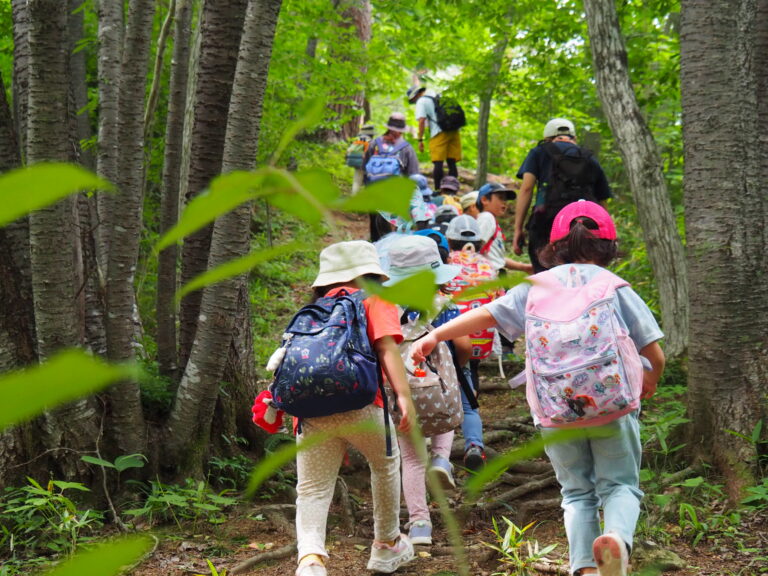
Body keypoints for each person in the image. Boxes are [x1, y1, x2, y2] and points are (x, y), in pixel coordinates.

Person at [410, 202, 666, 576]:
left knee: (576, 493)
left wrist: (435, 335)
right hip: (613, 406)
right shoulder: (612, 286)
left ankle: (585, 568)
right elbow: (654, 351)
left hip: (555, 411)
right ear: (609, 247)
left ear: (553, 247)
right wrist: (651, 378)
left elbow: (488, 314)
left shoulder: (534, 287)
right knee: (620, 486)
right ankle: (616, 540)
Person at [294, 241, 416, 576]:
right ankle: (386, 546)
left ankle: (310, 560)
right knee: (385, 465)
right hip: (364, 406)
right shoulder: (375, 299)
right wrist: (404, 396)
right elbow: (387, 349)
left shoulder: (314, 309)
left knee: (313, 488)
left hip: (312, 412)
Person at [382, 235, 468, 547]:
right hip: (437, 388)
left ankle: (419, 524)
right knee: (448, 411)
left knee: (410, 458)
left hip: (401, 391)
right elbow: (465, 346)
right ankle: (442, 459)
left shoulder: (385, 309)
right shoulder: (443, 305)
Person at [514, 118, 611, 273]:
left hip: (545, 221)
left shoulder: (539, 152)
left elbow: (526, 189)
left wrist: (518, 229)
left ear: (546, 138)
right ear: (574, 138)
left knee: (545, 272)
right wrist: (607, 234)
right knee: (582, 272)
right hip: (583, 225)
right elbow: (602, 200)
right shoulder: (589, 157)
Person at [444, 214, 499, 470]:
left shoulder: (445, 265)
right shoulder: (488, 267)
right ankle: (474, 445)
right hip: (480, 337)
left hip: (448, 339)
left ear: (449, 240)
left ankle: (438, 453)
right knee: (469, 386)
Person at [407, 85, 461, 190]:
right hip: (454, 130)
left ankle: (437, 189)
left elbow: (421, 120)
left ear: (415, 95)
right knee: (451, 162)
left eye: (413, 100)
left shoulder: (421, 101)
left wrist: (420, 139)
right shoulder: (437, 95)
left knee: (438, 162)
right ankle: (453, 190)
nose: (414, 102)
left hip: (439, 132)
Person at [475, 182, 534, 275]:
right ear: (484, 200)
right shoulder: (487, 218)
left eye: (505, 199)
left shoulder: (490, 220)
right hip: (489, 276)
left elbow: (497, 260)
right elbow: (476, 247)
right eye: (501, 198)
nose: (504, 202)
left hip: (493, 274)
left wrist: (524, 267)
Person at [363, 112, 420, 183]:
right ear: (402, 130)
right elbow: (414, 174)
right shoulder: (407, 148)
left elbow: (364, 167)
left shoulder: (375, 143)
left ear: (388, 128)